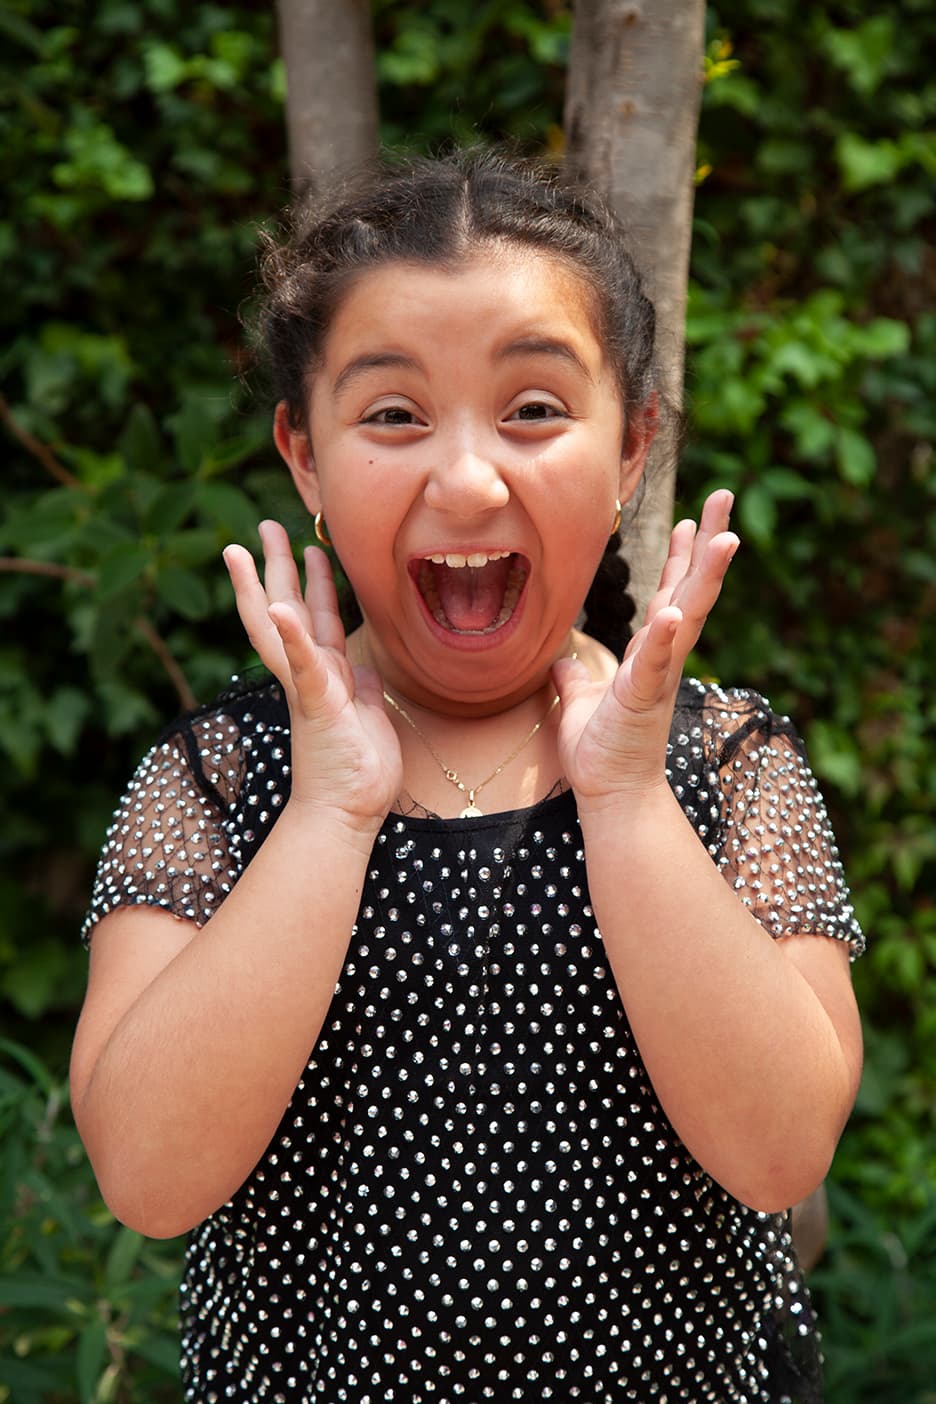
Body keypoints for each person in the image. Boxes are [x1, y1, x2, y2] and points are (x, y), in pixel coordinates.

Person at [71, 150, 864, 1404]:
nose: (467, 479)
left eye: (534, 409)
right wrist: (330, 808)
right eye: (393, 415)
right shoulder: (222, 779)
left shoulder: (723, 765)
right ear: (305, 458)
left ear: (632, 448)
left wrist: (627, 801)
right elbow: (148, 1179)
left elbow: (780, 1154)